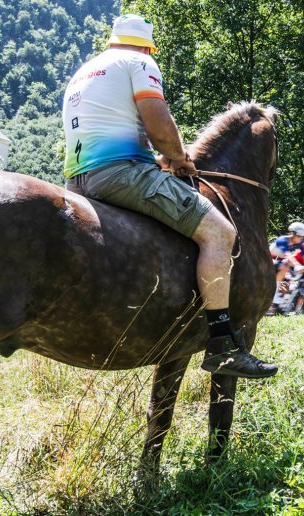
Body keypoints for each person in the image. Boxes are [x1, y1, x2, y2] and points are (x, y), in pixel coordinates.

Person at [61, 14, 276, 378]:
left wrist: (159, 157)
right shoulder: (139, 61)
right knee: (220, 233)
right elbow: (157, 122)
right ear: (146, 45)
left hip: (78, 181)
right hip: (120, 174)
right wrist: (178, 158)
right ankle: (222, 344)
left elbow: (113, 128)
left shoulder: (85, 71)